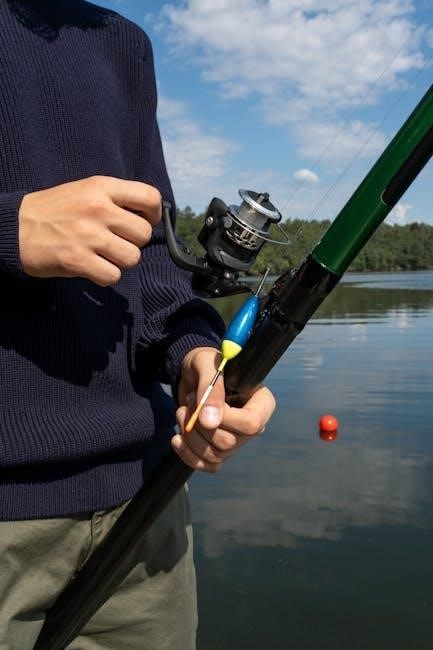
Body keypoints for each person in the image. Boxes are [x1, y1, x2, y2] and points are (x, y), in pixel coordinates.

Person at [0, 1, 276, 648]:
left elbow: (154, 261)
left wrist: (193, 353)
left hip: (145, 508)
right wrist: (11, 229)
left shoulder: (123, 43)